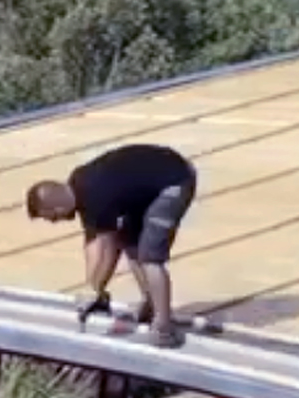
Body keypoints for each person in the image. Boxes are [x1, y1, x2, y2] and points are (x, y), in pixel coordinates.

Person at [25, 143, 198, 347]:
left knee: (150, 257)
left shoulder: (94, 197)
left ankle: (163, 327)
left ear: (58, 206)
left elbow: (108, 251)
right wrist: (91, 287)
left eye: (53, 217)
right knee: (131, 244)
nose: (55, 222)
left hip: (174, 180)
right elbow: (92, 240)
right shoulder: (79, 185)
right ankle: (150, 306)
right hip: (150, 183)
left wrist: (96, 290)